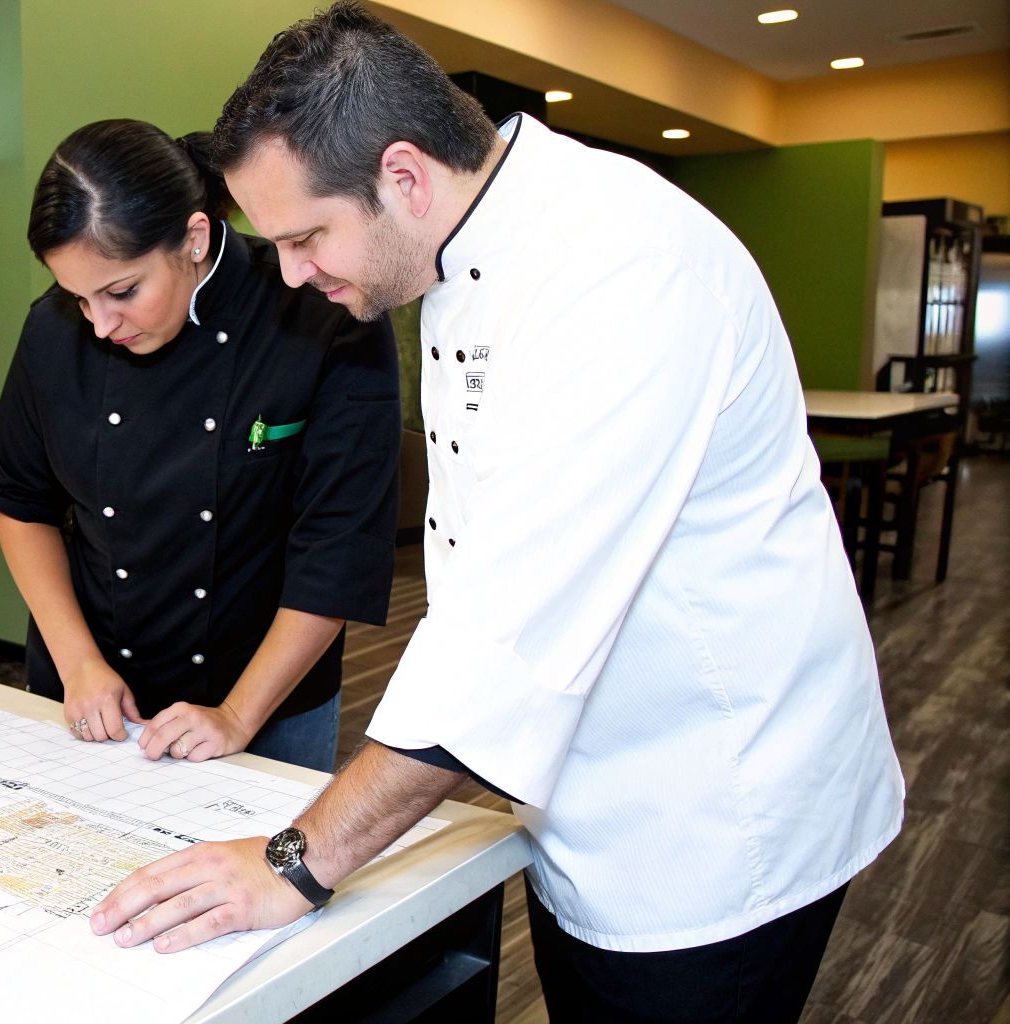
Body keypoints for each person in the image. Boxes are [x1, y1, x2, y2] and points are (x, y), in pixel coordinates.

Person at [88, 5, 904, 1021]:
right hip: (580, 786)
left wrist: (295, 861)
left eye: (303, 236)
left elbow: (509, 641)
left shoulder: (617, 271)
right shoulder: (456, 253)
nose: (289, 271)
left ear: (402, 176)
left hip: (712, 815)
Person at [0, 118, 402, 772]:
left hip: (269, 702)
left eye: (123, 292)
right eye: (78, 297)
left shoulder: (318, 319)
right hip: (96, 694)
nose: (100, 324)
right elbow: (20, 501)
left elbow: (338, 550)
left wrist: (237, 715)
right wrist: (78, 663)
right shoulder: (53, 331)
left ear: (195, 238)